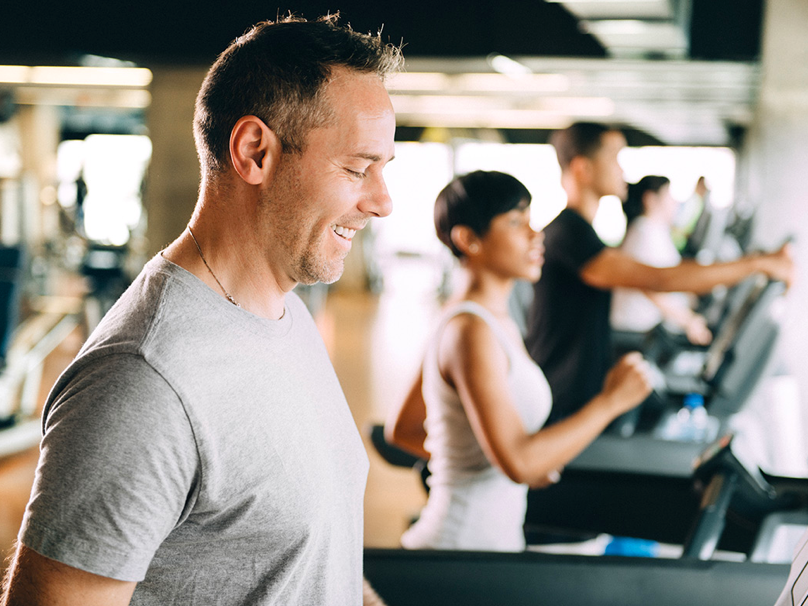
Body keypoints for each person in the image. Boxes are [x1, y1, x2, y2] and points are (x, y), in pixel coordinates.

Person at [1, 15, 400, 606]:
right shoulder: (142, 380)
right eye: (358, 168)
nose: (382, 202)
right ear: (254, 151)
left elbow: (306, 555)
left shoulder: (283, 314)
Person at [385, 170, 652, 552]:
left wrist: (491, 459)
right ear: (469, 239)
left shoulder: (487, 319)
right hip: (460, 551)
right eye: (514, 222)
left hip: (489, 546)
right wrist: (611, 402)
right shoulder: (470, 331)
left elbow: (405, 428)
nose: (535, 234)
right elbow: (521, 463)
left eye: (531, 220)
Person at [525, 122, 794, 426]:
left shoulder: (583, 233)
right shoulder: (568, 233)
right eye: (614, 158)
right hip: (563, 397)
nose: (622, 170)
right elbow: (659, 279)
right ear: (582, 168)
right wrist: (756, 264)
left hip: (580, 387)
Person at [610, 175, 712, 345]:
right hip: (638, 334)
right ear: (650, 200)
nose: (675, 203)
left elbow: (670, 275)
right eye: (669, 196)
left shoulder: (656, 230)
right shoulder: (644, 233)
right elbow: (651, 287)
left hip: (651, 330)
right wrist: (689, 321)